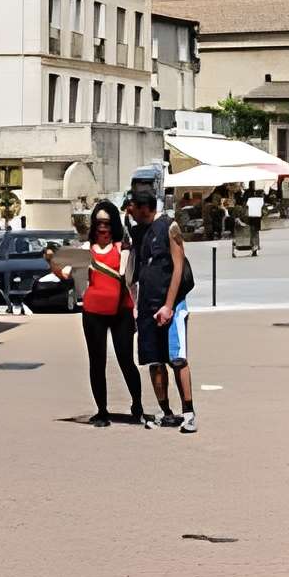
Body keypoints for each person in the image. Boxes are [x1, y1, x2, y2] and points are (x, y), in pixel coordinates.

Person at [44, 201, 145, 427]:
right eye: (99, 223)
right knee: (96, 362)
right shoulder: (85, 251)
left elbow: (131, 280)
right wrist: (52, 261)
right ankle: (102, 411)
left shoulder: (122, 248)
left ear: (114, 225)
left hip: (122, 311)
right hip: (93, 312)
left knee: (126, 360)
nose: (103, 228)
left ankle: (137, 405)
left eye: (107, 223)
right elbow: (66, 274)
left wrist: (137, 310)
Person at [126, 171, 197, 433]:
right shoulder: (137, 232)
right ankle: (166, 412)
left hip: (172, 305)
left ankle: (188, 412)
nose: (130, 213)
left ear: (145, 208)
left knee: (177, 358)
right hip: (147, 307)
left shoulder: (169, 227)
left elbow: (178, 268)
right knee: (154, 361)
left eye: (133, 208)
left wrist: (169, 305)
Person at [245, 183, 265, 254]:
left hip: (251, 216)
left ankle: (253, 245)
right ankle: (256, 245)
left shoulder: (250, 199)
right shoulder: (261, 200)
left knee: (252, 231)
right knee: (256, 232)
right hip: (257, 217)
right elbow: (262, 209)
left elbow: (247, 207)